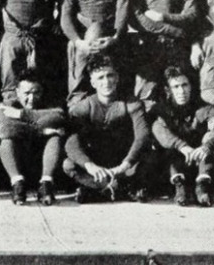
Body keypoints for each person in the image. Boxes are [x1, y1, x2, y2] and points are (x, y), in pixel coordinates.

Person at [64, 55, 151, 204]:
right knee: (68, 164)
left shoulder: (132, 103)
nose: (106, 82)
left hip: (125, 161)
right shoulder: (84, 106)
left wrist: (125, 164)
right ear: (92, 82)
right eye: (100, 77)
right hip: (97, 163)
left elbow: (142, 136)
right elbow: (71, 141)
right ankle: (115, 189)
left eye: (110, 75)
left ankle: (101, 191)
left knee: (149, 158)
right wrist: (89, 165)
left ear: (117, 77)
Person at [131, 0, 203, 105]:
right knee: (145, 95)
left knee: (181, 91)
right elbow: (140, 20)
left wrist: (163, 17)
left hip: (179, 47)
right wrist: (174, 30)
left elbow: (191, 16)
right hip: (151, 47)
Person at [150, 66, 214, 207]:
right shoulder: (162, 109)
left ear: (191, 86)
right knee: (168, 149)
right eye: (176, 87)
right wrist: (182, 146)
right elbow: (159, 130)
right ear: (168, 90)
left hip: (200, 160)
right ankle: (180, 187)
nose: (181, 91)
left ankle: (202, 187)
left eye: (184, 85)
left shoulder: (204, 108)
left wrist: (207, 146)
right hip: (176, 160)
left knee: (209, 139)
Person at [0, 69, 67, 206]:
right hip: (19, 162)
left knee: (55, 139)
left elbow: (59, 116)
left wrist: (22, 115)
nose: (32, 99)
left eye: (36, 93)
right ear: (17, 92)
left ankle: (46, 184)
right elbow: (5, 130)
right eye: (26, 93)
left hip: (43, 162)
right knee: (7, 141)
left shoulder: (51, 103)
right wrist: (43, 130)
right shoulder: (6, 105)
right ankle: (17, 184)